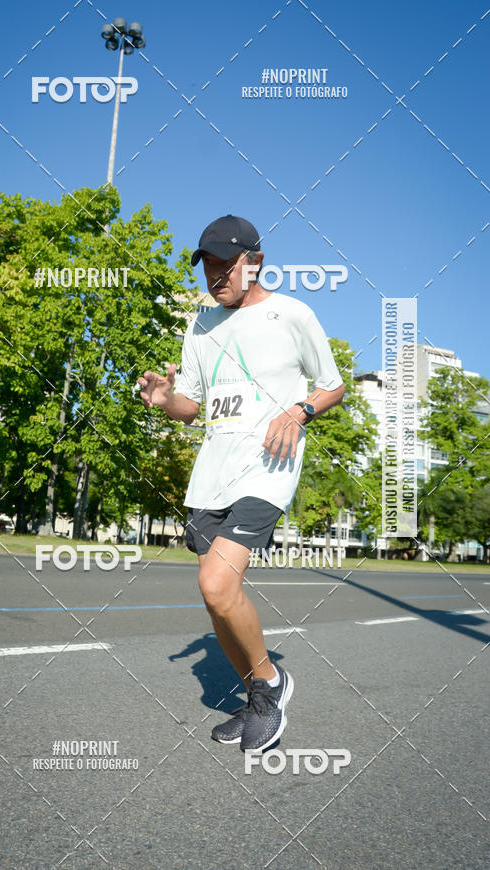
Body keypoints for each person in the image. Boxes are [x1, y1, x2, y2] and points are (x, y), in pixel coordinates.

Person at [137, 215, 344, 753]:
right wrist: (164, 401)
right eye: (208, 266)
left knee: (216, 584)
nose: (216, 276)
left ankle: (270, 685)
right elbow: (191, 407)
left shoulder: (292, 314)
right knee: (216, 598)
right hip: (213, 474)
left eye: (226, 265)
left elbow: (332, 386)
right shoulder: (201, 327)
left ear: (255, 263)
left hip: (268, 467)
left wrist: (298, 411)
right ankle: (258, 694)